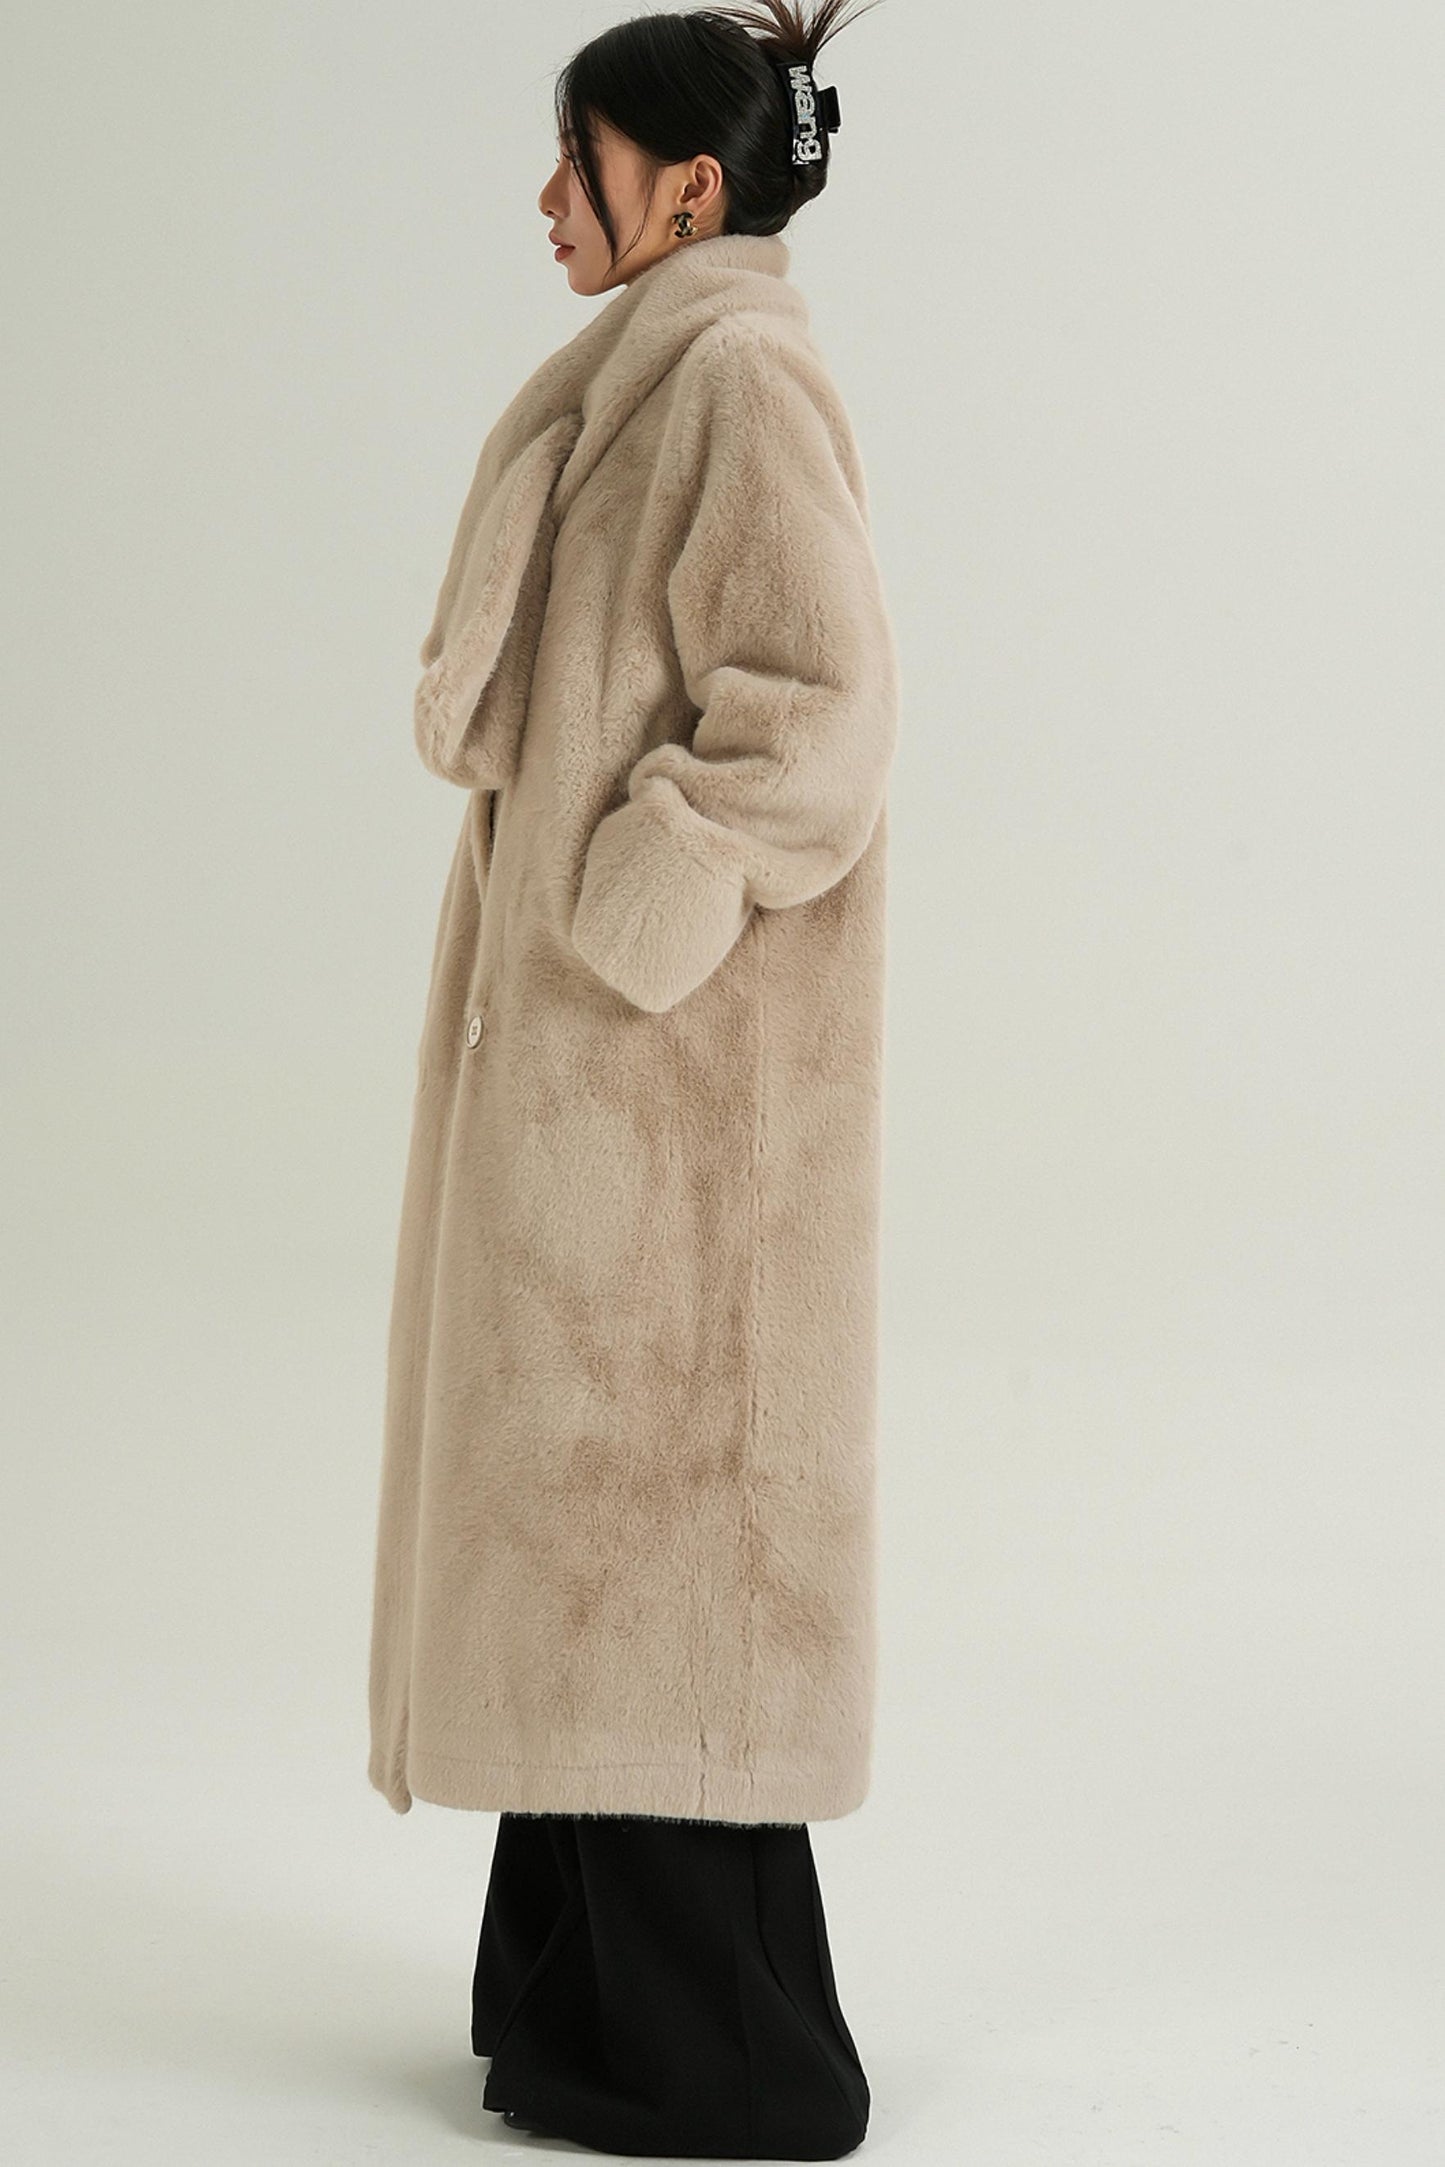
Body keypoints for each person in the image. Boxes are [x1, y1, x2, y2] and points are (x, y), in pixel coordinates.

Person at [367, 0, 898, 2153]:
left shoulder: (737, 381)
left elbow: (818, 712)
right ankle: (579, 2015)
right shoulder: (648, 375)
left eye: (575, 160)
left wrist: (630, 907)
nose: (544, 198)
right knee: (582, 1520)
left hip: (685, 1104)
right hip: (612, 1089)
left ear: (687, 189)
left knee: (657, 1538)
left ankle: (724, 2062)